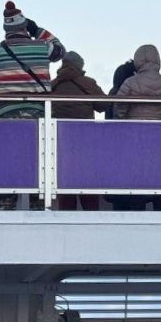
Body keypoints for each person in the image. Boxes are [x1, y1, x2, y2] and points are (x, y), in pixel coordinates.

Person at [0, 1, 65, 210]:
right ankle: (37, 207)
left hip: (4, 114)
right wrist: (37, 29)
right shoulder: (41, 47)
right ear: (25, 26)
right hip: (37, 113)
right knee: (37, 160)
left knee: (7, 160)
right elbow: (60, 51)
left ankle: (6, 206)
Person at [113, 45, 161, 210]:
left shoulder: (129, 83)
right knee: (160, 174)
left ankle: (138, 209)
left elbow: (119, 110)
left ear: (138, 60)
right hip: (160, 138)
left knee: (137, 175)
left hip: (134, 138)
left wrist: (124, 128)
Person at [51, 51, 106, 211]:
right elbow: (103, 105)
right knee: (86, 181)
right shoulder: (87, 83)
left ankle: (66, 218)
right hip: (85, 141)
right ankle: (92, 217)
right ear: (79, 66)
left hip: (60, 141)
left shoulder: (53, 84)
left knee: (65, 182)